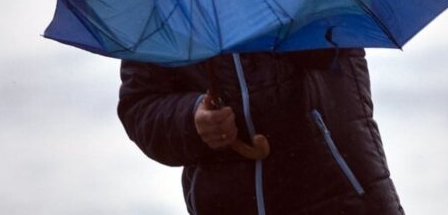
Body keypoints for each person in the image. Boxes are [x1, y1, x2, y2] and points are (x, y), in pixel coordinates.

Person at [118, 47, 404, 214]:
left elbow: (335, 45)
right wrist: (193, 119)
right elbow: (140, 106)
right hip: (229, 201)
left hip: (345, 188)